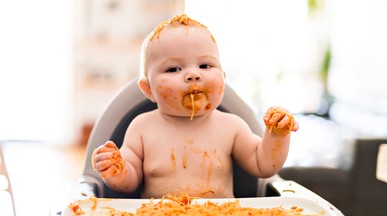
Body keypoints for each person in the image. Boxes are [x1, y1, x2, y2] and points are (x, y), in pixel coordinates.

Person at [92, 14, 299, 198]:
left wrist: (277, 135)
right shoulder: (142, 128)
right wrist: (116, 170)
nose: (193, 74)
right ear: (148, 90)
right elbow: (130, 179)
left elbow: (263, 164)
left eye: (205, 65)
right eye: (173, 68)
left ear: (223, 79)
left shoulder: (232, 127)